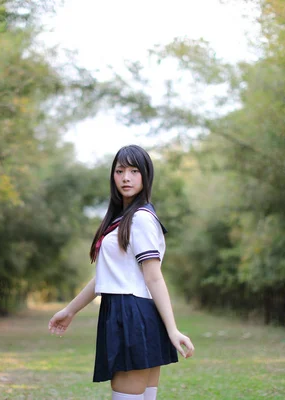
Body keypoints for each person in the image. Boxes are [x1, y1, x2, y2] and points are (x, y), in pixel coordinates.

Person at [48, 145, 195, 400]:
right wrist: (70, 310)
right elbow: (105, 276)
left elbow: (154, 276)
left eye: (134, 170)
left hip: (131, 314)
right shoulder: (124, 219)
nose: (126, 177)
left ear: (146, 175)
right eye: (120, 171)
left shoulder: (140, 219)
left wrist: (173, 330)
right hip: (133, 312)